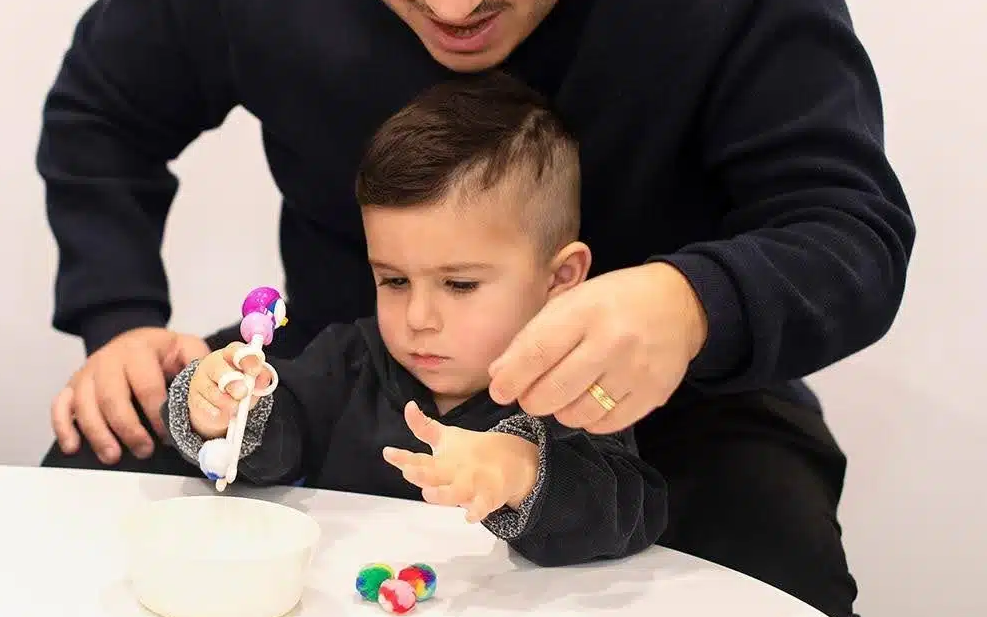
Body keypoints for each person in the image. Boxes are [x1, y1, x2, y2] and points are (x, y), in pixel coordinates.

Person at [38, 0, 914, 617]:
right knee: (92, 475)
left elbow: (851, 229)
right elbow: (102, 110)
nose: (453, 0)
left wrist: (693, 301)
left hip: (672, 407)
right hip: (347, 371)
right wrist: (121, 321)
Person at [166, 75, 666, 565]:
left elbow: (633, 513)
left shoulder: (574, 393)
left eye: (460, 285)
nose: (419, 319)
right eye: (395, 281)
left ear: (559, 278)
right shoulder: (350, 362)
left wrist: (525, 474)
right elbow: (275, 443)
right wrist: (225, 411)